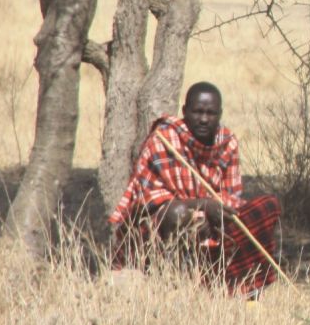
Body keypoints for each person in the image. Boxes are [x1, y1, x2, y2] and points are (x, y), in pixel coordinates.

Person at [107, 82, 282, 296]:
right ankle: (170, 279)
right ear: (185, 111)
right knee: (178, 213)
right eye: (198, 112)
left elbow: (232, 196)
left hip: (212, 223)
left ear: (220, 114)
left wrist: (211, 214)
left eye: (211, 113)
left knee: (267, 206)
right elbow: (147, 200)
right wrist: (201, 206)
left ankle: (242, 285)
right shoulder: (163, 139)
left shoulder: (227, 142)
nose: (204, 119)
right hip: (162, 226)